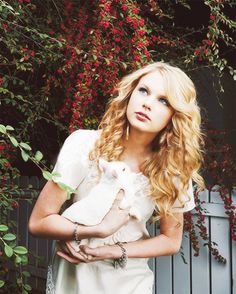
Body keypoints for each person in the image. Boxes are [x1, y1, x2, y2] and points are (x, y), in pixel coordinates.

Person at [28, 61, 205, 294]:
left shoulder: (173, 168)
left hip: (130, 282)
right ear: (130, 94)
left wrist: (112, 250)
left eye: (163, 101)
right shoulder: (84, 145)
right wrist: (96, 230)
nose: (147, 103)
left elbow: (171, 240)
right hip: (74, 279)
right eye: (144, 91)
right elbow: (38, 222)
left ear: (175, 116)